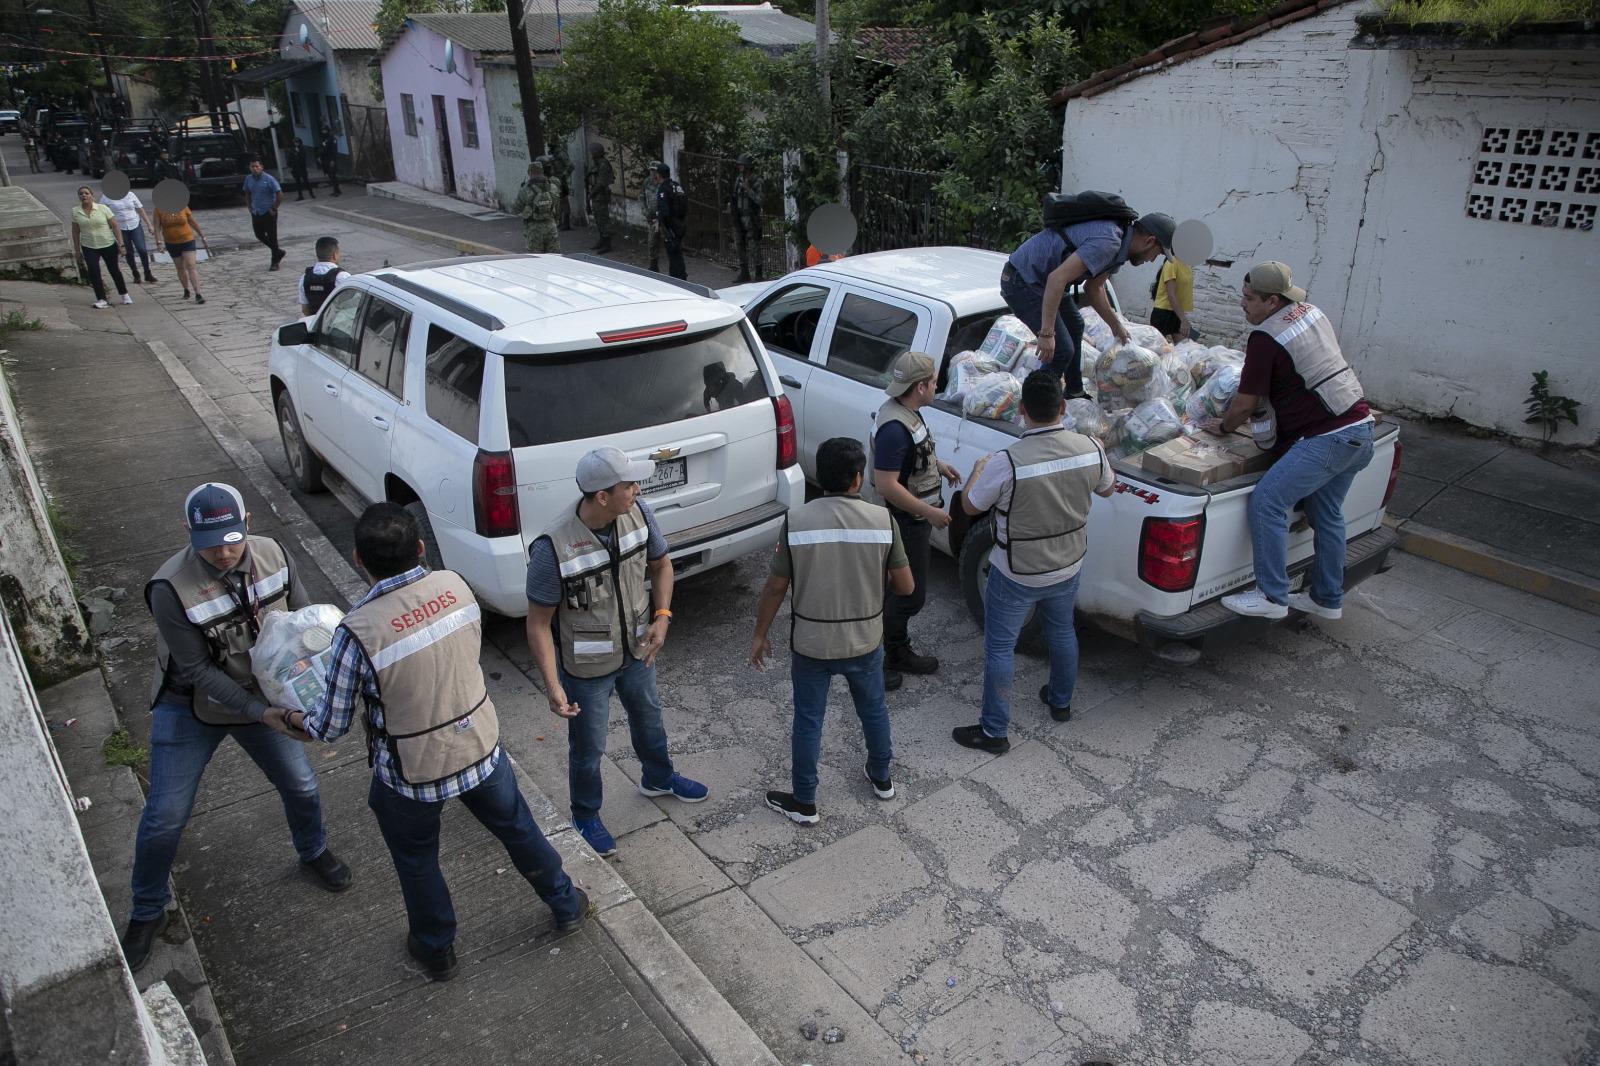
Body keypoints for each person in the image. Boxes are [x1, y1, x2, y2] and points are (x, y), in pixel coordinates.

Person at [285, 503, 587, 982]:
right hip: (480, 749)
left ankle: (436, 947)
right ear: (421, 548)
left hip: (411, 773)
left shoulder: (357, 632)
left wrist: (285, 714)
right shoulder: (458, 586)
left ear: (359, 559)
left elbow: (330, 726)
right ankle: (566, 902)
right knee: (519, 831)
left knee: (417, 860)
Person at [121, 483, 351, 972]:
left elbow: (304, 623)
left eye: (232, 538)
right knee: (165, 816)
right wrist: (261, 714)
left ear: (246, 521)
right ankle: (146, 910)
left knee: (302, 786)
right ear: (188, 533)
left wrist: (308, 692)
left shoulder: (273, 552)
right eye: (210, 544)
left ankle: (312, 851)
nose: (224, 553)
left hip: (264, 695)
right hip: (194, 706)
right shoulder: (169, 588)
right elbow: (197, 671)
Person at [524, 447, 709, 858]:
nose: (637, 489)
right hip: (586, 667)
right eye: (628, 485)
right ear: (601, 496)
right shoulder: (552, 548)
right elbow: (537, 623)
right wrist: (553, 686)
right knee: (589, 747)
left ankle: (658, 777)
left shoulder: (639, 513)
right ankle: (585, 813)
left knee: (650, 719)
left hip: (639, 649)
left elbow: (661, 565)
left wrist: (662, 616)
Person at [952, 370, 1115, 754]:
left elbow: (971, 505)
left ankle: (994, 732)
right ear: (1062, 408)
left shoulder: (1008, 461)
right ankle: (1060, 702)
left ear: (1022, 410)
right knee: (1062, 632)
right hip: (1068, 563)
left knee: (999, 648)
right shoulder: (1091, 447)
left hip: (1016, 570)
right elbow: (1107, 488)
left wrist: (975, 474)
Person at [751, 437, 912, 823]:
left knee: (809, 719)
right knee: (873, 710)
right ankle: (882, 778)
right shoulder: (883, 521)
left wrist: (760, 634)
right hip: (865, 641)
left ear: (820, 478)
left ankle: (805, 801)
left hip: (812, 644)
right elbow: (905, 586)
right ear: (859, 478)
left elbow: (775, 586)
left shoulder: (797, 521)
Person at [1212, 262, 1374, 621]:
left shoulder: (1266, 338)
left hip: (1328, 437)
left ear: (1272, 301)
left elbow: (1244, 404)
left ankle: (1272, 595)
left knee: (1268, 499)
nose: (1243, 304)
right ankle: (1326, 598)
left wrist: (1222, 427)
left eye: (1249, 299)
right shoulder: (1311, 312)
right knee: (1325, 512)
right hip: (1361, 428)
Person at [1002, 205, 1174, 397]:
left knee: (1076, 324)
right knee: (1061, 350)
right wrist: (1047, 333)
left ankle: (1074, 391)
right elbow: (1056, 279)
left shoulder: (1120, 243)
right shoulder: (1109, 242)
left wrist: (1116, 325)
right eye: (1157, 254)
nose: (1152, 261)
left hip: (1043, 282)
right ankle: (1036, 408)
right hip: (1022, 280)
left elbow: (1094, 288)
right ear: (1150, 241)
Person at [871, 351, 963, 690]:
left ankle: (896, 651)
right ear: (921, 386)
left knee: (903, 593)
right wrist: (930, 512)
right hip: (902, 522)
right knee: (908, 595)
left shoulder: (909, 413)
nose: (937, 387)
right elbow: (886, 484)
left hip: (911, 520)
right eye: (935, 382)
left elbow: (913, 458)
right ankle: (876, 660)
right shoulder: (895, 429)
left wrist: (939, 466)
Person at [70, 184, 129, 309]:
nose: (84, 195)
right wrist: (77, 250)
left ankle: (124, 294)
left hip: (107, 243)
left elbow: (115, 226)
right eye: (81, 194)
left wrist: (121, 244)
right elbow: (75, 231)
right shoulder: (76, 211)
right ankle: (101, 299)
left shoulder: (103, 208)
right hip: (89, 245)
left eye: (86, 193)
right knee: (93, 271)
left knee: (114, 270)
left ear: (92, 195)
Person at [154, 198, 209, 304]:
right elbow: (157, 227)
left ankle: (198, 294)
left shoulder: (183, 206)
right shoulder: (158, 209)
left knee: (191, 265)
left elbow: (192, 221)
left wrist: (202, 236)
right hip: (171, 242)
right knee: (180, 267)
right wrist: (158, 242)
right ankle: (186, 289)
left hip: (187, 239)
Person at [100, 184, 157, 285]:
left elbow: (140, 209)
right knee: (128, 252)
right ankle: (135, 273)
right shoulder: (106, 197)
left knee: (142, 249)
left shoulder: (130, 194)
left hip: (134, 224)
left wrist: (149, 224)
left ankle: (147, 272)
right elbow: (101, 212)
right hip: (120, 227)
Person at [242, 157, 286, 271]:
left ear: (261, 167)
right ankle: (278, 251)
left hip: (268, 212)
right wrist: (249, 206)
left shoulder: (269, 179)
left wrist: (274, 208)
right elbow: (247, 193)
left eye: (257, 166)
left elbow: (280, 194)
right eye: (252, 167)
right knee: (259, 234)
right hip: (256, 211)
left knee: (272, 236)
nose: (255, 169)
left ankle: (275, 261)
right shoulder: (248, 179)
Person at [728, 152, 762, 284]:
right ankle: (744, 272)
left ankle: (759, 274)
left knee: (754, 247)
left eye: (742, 165)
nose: (740, 167)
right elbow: (735, 197)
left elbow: (760, 200)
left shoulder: (757, 181)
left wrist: (748, 190)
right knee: (739, 245)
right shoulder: (738, 179)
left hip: (751, 218)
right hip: (739, 217)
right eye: (739, 165)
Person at [513, 159, 560, 254]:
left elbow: (516, 208)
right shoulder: (552, 187)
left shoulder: (525, 189)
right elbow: (557, 205)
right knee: (555, 258)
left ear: (530, 172)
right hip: (551, 226)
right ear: (542, 171)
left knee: (536, 260)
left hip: (533, 228)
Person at [652, 161, 688, 281]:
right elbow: (685, 205)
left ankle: (677, 280)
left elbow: (664, 212)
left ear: (659, 175)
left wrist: (664, 224)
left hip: (670, 227)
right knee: (678, 252)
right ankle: (681, 277)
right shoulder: (676, 185)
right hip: (680, 224)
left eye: (656, 174)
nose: (654, 176)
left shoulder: (663, 189)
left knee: (673, 255)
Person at [299, 236, 348, 316]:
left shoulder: (305, 278)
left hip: (315, 323)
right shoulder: (342, 277)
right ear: (335, 255)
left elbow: (305, 309)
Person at [1150, 254, 1195, 341]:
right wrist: (1183, 320)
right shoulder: (1172, 263)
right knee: (1156, 349)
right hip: (1163, 313)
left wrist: (1182, 317)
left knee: (1184, 349)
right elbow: (1171, 295)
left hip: (1176, 313)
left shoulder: (1186, 265)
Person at [585, 142, 613, 253]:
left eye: (592, 151)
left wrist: (591, 194)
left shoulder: (603, 164)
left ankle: (607, 244)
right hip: (596, 195)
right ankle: (602, 240)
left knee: (603, 220)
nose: (591, 153)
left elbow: (601, 183)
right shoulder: (596, 163)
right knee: (598, 219)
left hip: (601, 195)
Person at [640, 161, 664, 272]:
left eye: (655, 170)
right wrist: (645, 212)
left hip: (663, 217)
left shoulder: (663, 183)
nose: (653, 173)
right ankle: (653, 265)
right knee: (652, 241)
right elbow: (641, 197)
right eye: (651, 170)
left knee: (667, 240)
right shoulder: (647, 182)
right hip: (651, 217)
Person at [547, 142, 573, 230]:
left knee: (564, 202)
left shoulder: (561, 153)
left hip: (560, 181)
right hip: (554, 181)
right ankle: (560, 222)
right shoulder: (553, 153)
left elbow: (570, 166)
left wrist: (563, 176)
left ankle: (566, 224)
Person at [318, 124, 341, 197]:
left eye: (325, 130)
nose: (323, 131)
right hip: (325, 159)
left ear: (328, 130)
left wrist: (333, 160)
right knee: (329, 175)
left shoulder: (332, 138)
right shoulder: (323, 139)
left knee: (333, 175)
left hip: (330, 159)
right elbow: (321, 148)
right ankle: (336, 189)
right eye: (322, 130)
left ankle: (336, 190)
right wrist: (320, 157)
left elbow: (334, 150)